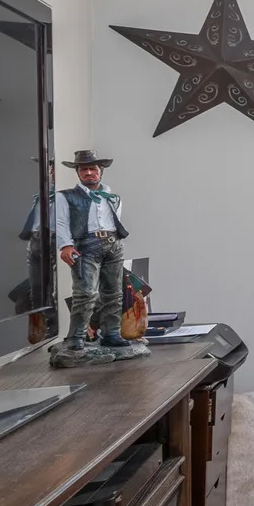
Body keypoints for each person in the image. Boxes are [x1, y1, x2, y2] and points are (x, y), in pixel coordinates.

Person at [50, 148, 147, 364]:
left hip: (112, 245)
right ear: (78, 173)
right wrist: (65, 245)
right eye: (83, 169)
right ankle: (76, 337)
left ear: (100, 171)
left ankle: (111, 333)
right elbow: (61, 223)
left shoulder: (112, 197)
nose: (88, 173)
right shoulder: (66, 197)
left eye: (92, 168)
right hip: (86, 246)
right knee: (85, 293)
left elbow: (114, 220)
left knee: (113, 293)